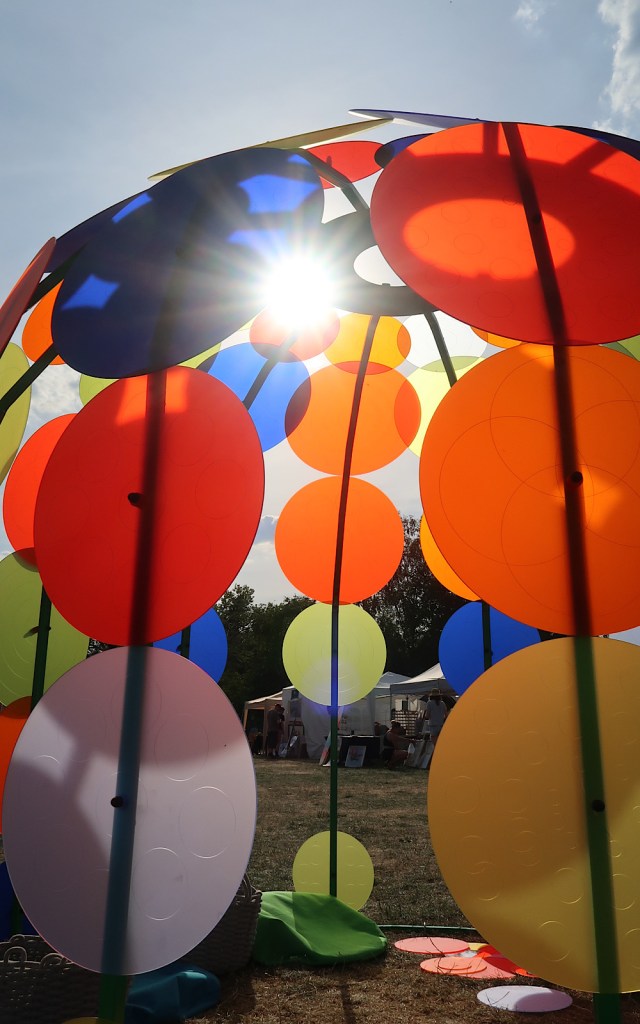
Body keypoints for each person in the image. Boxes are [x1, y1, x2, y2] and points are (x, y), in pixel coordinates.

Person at [423, 689, 448, 768]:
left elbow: (427, 716)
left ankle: (433, 763)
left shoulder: (429, 703)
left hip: (433, 726)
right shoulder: (442, 703)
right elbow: (446, 715)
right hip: (441, 725)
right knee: (440, 745)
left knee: (435, 746)